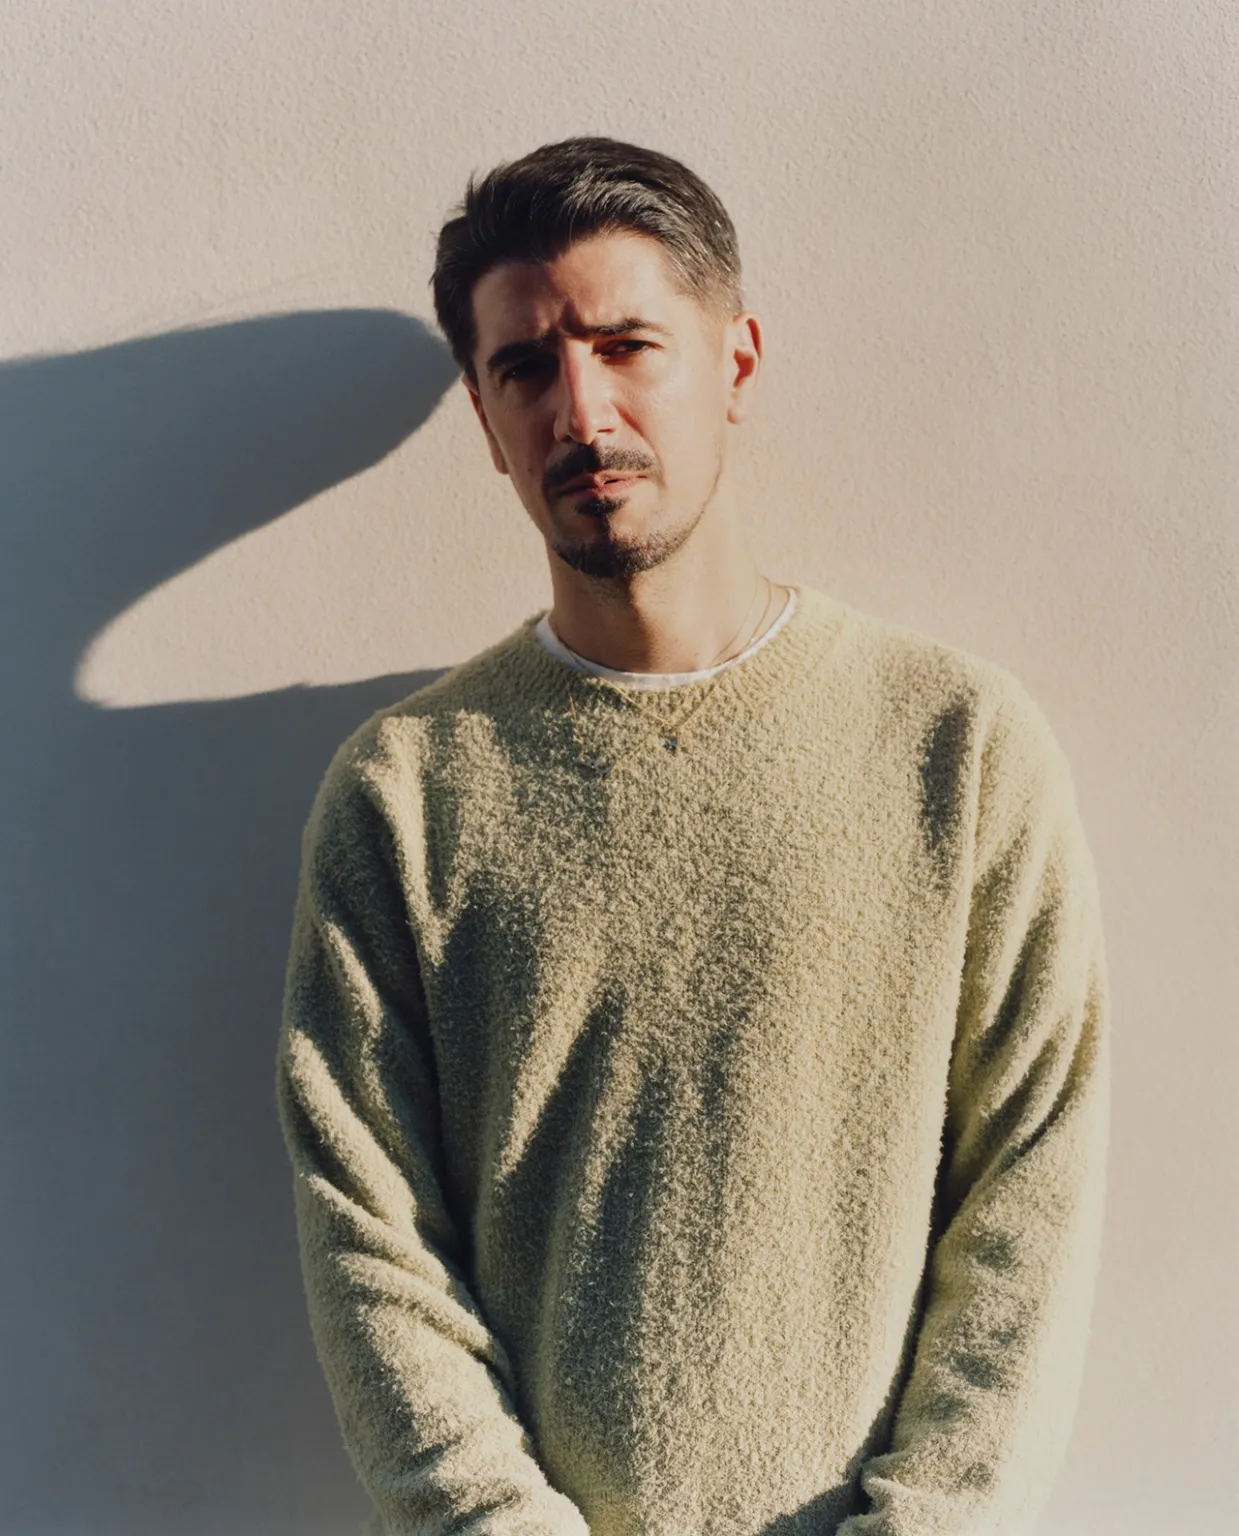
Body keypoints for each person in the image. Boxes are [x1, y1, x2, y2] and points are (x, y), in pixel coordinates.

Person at [275, 137, 1110, 1536]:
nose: (578, 409)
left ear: (733, 362)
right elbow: (371, 1241)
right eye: (524, 369)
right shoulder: (407, 791)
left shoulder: (954, 744)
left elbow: (1032, 1187)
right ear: (484, 422)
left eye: (625, 344)